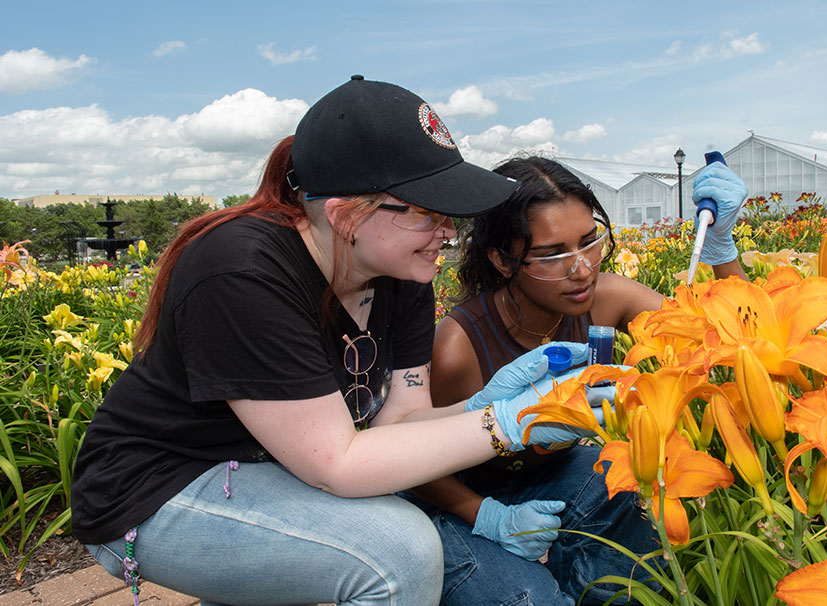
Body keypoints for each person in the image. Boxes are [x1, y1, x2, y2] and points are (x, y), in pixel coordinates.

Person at [70, 77, 606, 606]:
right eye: (427, 211)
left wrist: (487, 405)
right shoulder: (242, 270)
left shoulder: (403, 273)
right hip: (160, 487)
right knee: (398, 552)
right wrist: (513, 422)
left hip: (272, 469)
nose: (449, 231)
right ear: (344, 213)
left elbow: (397, 423)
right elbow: (339, 464)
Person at [410, 156, 748, 605]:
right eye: (552, 254)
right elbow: (414, 462)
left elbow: (729, 338)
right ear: (502, 259)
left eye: (590, 243)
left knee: (627, 586)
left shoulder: (607, 299)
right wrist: (489, 517)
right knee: (529, 599)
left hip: (557, 477)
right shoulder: (457, 346)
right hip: (461, 500)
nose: (582, 269)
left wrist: (722, 251)